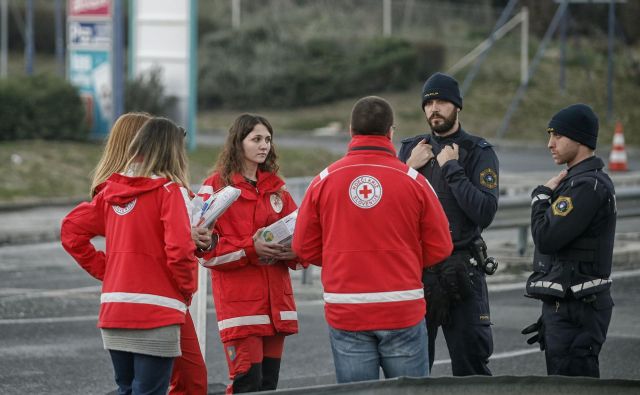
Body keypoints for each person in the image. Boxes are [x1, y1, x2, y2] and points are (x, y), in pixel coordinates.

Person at [293, 96, 453, 383]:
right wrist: (405, 260)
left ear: (350, 130)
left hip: (347, 308)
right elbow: (441, 245)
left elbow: (302, 246)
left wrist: (338, 256)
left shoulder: (324, 180)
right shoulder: (413, 180)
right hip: (401, 306)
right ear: (391, 132)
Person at [61, 117, 199, 395]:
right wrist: (187, 289)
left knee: (127, 389)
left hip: (114, 309)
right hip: (157, 310)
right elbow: (180, 251)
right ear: (172, 151)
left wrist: (109, 270)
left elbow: (71, 230)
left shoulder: (110, 192)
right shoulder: (170, 191)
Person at [398, 72, 499, 376]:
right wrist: (407, 169)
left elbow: (484, 212)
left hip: (463, 270)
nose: (434, 108)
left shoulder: (478, 151)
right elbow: (391, 207)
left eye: (441, 101)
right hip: (419, 274)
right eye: (428, 103)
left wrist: (452, 168)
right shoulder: (412, 150)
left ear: (457, 106)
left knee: (471, 368)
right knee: (413, 371)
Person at [197, 113, 303, 394]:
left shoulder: (277, 188)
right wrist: (250, 248)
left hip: (276, 306)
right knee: (247, 385)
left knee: (269, 386)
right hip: (240, 308)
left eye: (268, 139)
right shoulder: (215, 187)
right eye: (256, 139)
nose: (264, 145)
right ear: (238, 142)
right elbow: (206, 252)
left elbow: (301, 239)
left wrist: (293, 251)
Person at [522, 103, 616, 377]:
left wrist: (540, 198)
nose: (550, 144)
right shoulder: (576, 182)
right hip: (570, 305)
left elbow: (546, 238)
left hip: (579, 309)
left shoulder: (587, 186)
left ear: (580, 139)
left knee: (573, 385)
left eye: (558, 136)